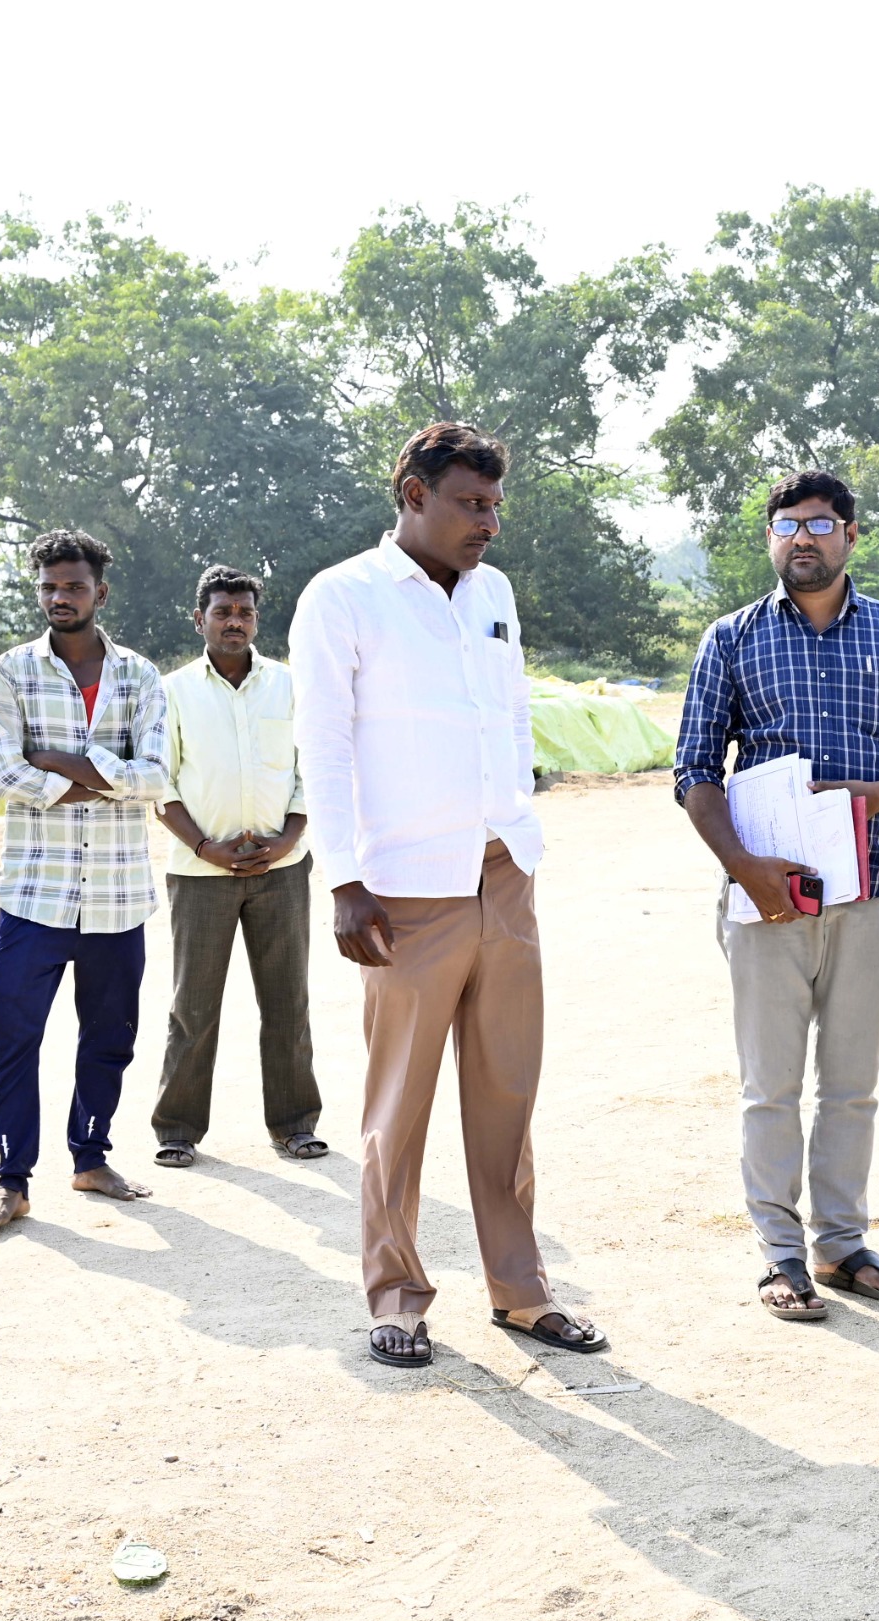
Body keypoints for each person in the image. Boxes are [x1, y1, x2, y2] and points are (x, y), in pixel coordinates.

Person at [291, 422, 603, 1369]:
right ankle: (396, 1297)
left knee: (507, 1094)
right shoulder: (342, 596)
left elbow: (510, 712)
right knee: (399, 1106)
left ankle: (522, 1292)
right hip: (401, 890)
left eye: (495, 505)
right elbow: (324, 745)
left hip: (503, 875)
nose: (488, 523)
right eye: (471, 504)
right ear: (413, 494)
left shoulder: (493, 594)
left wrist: (518, 819)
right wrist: (343, 879)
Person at [673, 468, 879, 1324]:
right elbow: (694, 769)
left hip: (871, 888)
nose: (801, 537)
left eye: (819, 523)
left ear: (849, 535)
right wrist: (744, 865)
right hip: (768, 897)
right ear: (770, 538)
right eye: (786, 524)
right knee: (769, 1086)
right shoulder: (731, 639)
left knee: (851, 1084)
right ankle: (780, 1253)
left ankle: (841, 1244)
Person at [0, 529, 171, 1237]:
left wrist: (57, 761)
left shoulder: (139, 677)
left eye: (74, 586)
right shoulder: (12, 672)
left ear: (100, 593)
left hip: (117, 894)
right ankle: (12, 1181)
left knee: (110, 1036)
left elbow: (156, 776)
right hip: (34, 893)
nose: (60, 597)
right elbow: (4, 775)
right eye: (49, 586)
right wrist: (106, 774)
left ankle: (91, 1156)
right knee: (15, 1037)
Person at [148, 565, 325, 1168]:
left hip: (283, 869)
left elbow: (310, 770)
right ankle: (177, 1130)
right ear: (199, 619)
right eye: (222, 612)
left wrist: (288, 839)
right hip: (201, 872)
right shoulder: (171, 691)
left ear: (256, 619)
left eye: (245, 612)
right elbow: (161, 784)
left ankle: (294, 1125)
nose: (234, 622)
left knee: (287, 1003)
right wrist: (207, 848)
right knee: (192, 1007)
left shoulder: (290, 686)